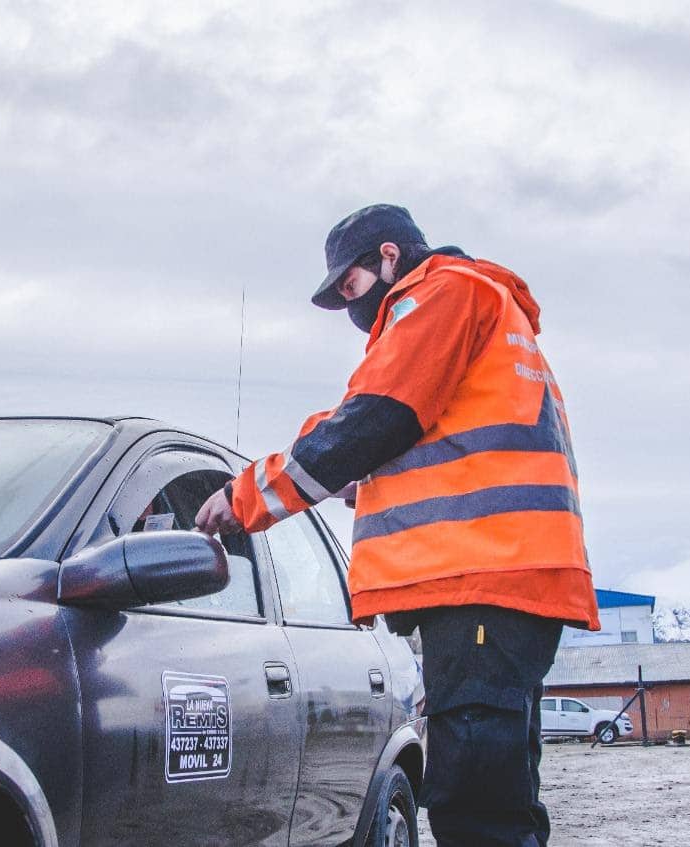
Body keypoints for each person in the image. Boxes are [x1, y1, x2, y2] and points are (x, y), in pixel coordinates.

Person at [195, 204, 600, 846]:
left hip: (480, 577)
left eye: (352, 289)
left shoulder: (442, 293)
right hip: (503, 576)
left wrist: (247, 498)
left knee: (473, 801)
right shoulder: (486, 307)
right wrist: (368, 477)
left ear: (389, 257)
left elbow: (372, 418)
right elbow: (436, 442)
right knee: (500, 790)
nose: (356, 311)